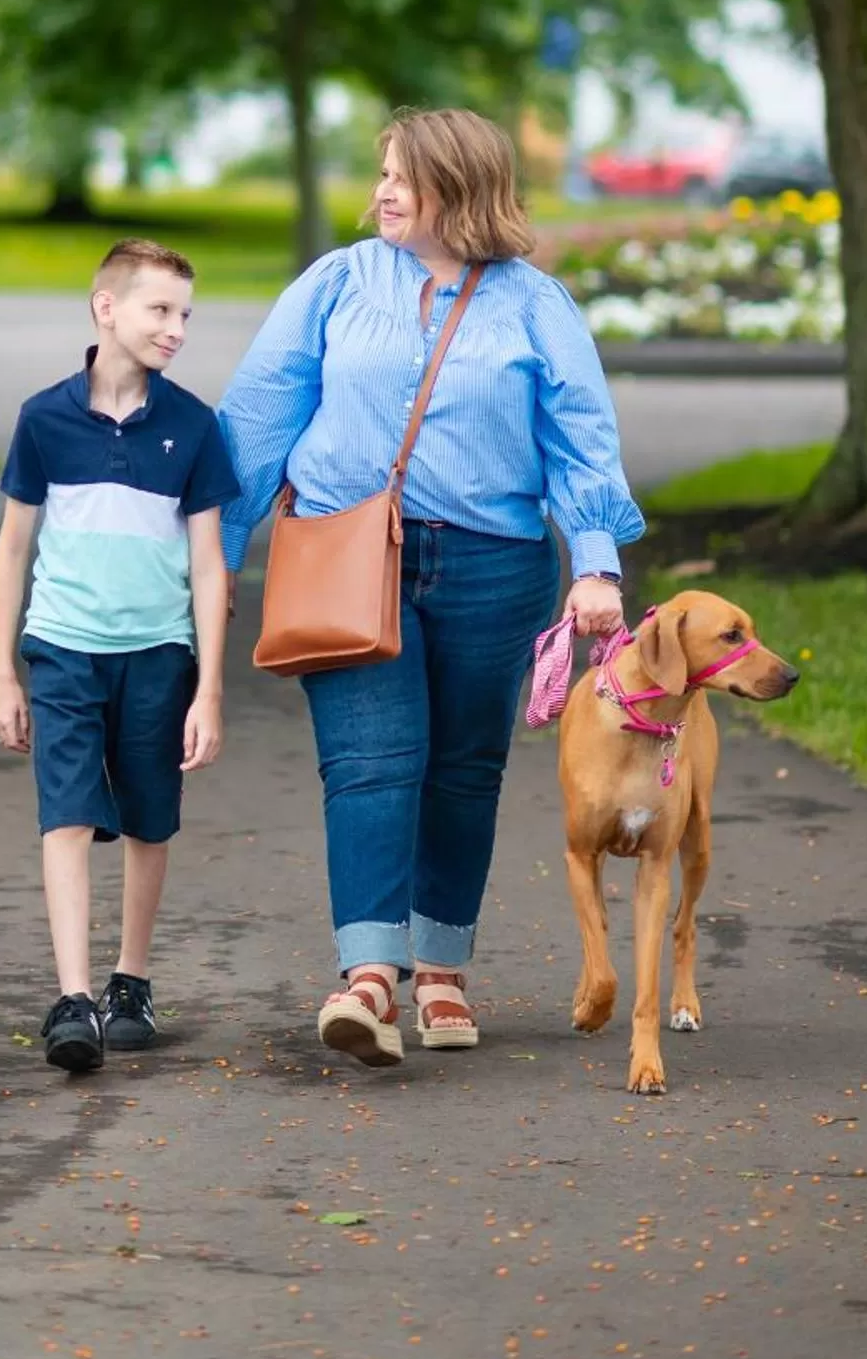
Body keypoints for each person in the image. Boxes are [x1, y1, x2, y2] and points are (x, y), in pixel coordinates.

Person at [218, 108, 643, 1066]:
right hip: (346, 556)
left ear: (460, 185)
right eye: (381, 174)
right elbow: (255, 418)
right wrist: (216, 550)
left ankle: (442, 968)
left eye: (401, 176)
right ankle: (368, 978)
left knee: (462, 769)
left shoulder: (535, 304)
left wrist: (597, 565)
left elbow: (581, 440)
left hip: (495, 564)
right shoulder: (337, 282)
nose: (382, 192)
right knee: (371, 763)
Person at [0, 237, 239, 1073]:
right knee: (66, 809)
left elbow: (209, 566)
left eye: (184, 316)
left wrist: (209, 689)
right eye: (159, 311)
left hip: (159, 652)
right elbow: (12, 548)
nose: (176, 330)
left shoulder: (194, 426)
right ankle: (72, 998)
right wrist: (2, 671)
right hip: (62, 647)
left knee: (145, 815)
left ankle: (129, 979)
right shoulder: (44, 418)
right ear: (107, 308)